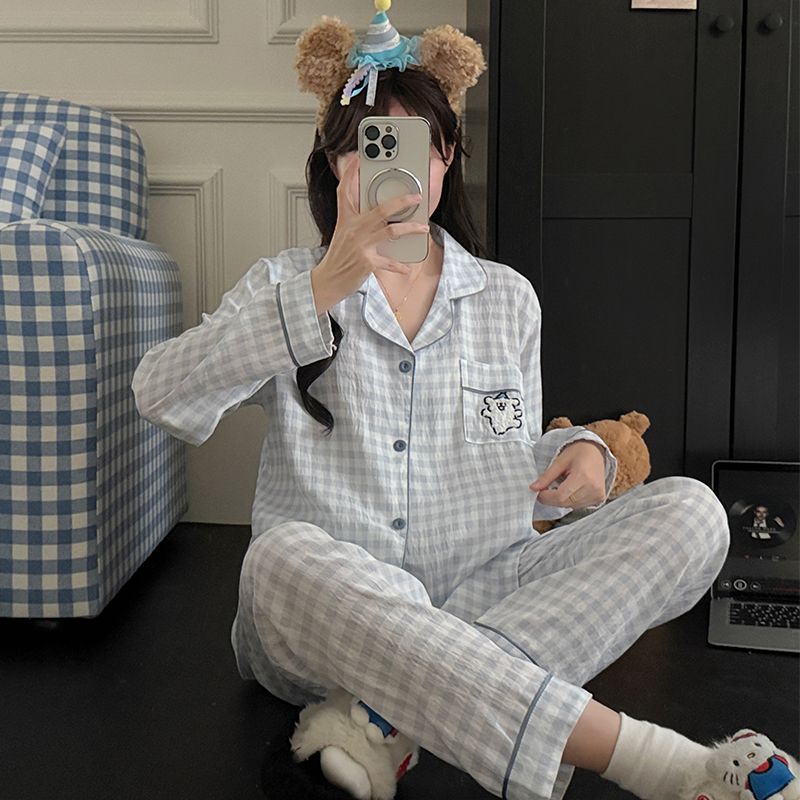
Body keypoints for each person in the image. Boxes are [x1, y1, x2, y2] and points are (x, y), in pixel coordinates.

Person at [132, 4, 794, 800]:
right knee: (277, 560)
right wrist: (321, 290)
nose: (395, 168)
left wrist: (579, 451)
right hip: (332, 620)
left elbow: (506, 457)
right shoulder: (283, 286)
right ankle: (661, 763)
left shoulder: (507, 300)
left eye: (416, 146)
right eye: (368, 146)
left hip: (490, 583)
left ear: (445, 159)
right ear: (336, 165)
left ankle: (394, 717)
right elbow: (159, 394)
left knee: (694, 512)